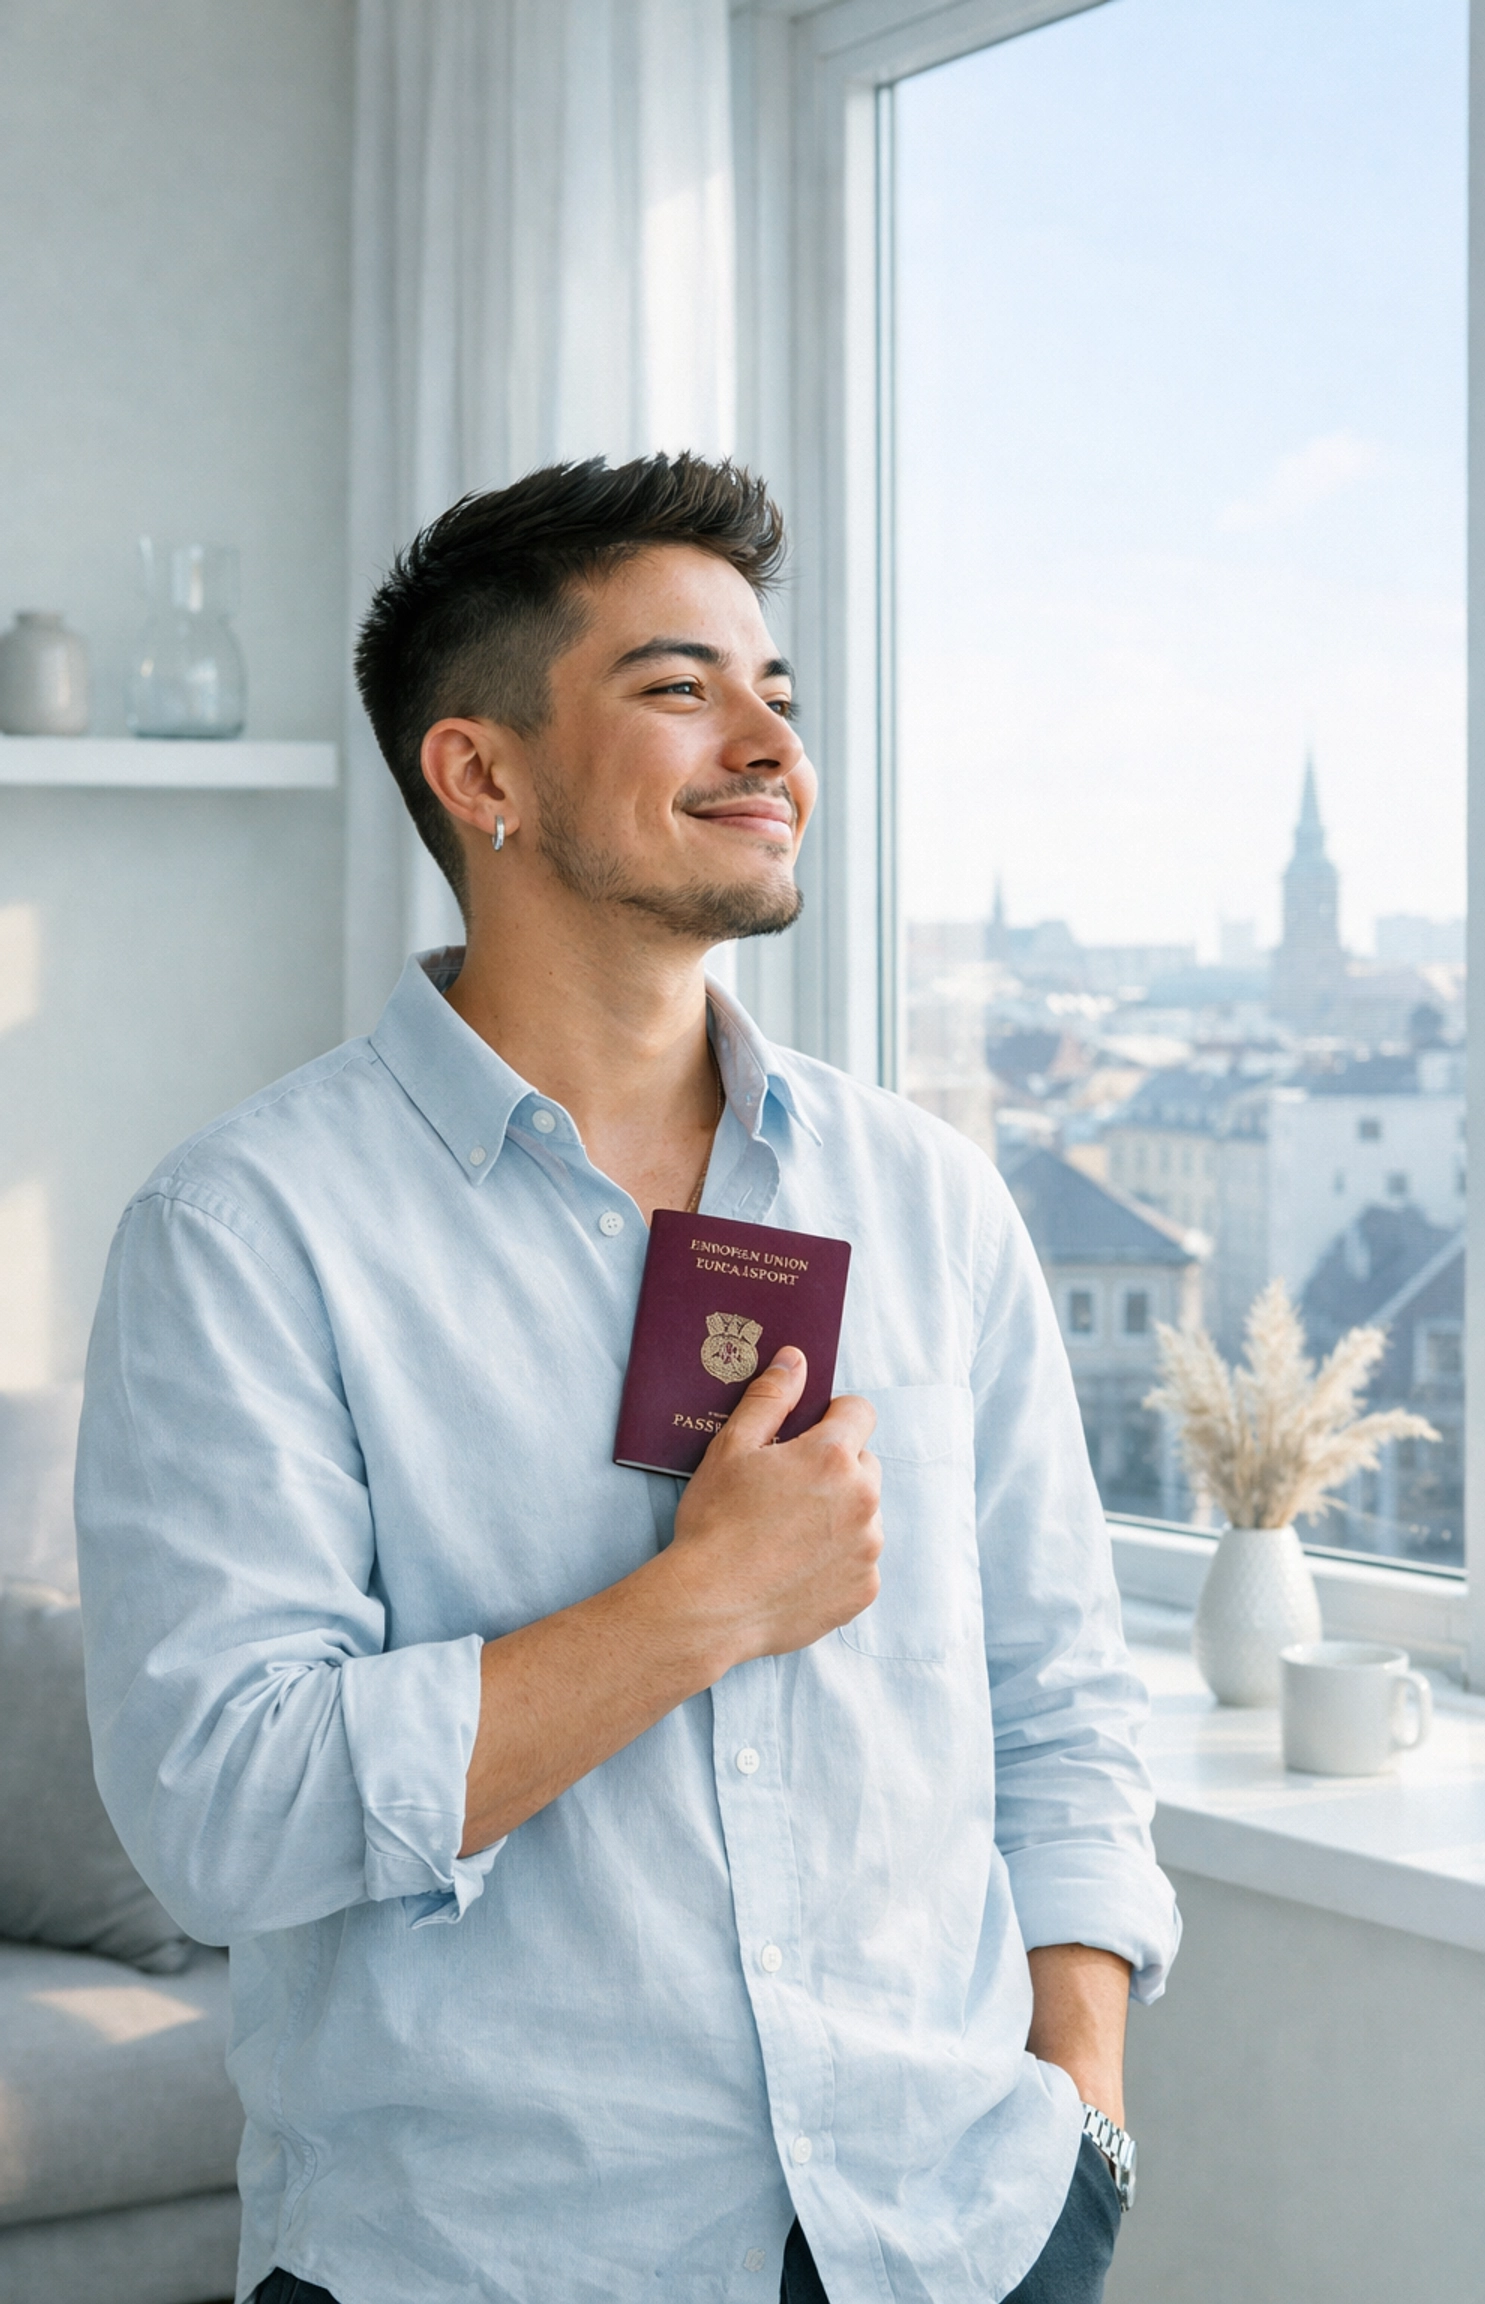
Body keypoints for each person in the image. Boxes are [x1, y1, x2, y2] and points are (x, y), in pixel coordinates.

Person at [76, 453, 1178, 2304]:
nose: (769, 742)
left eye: (780, 696)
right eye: (681, 687)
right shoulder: (243, 1232)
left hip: (958, 2237)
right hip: (487, 2266)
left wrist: (1083, 2121)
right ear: (480, 772)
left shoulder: (931, 1200)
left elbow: (1059, 1701)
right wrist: (704, 1607)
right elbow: (223, 1810)